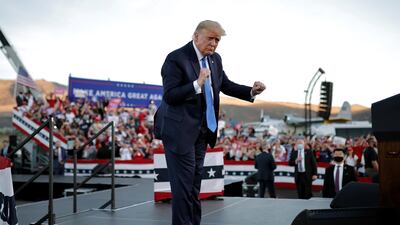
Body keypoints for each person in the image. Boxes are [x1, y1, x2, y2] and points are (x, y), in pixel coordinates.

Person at [154, 20, 266, 225]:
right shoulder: (176, 59)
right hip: (179, 132)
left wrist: (251, 91)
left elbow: (225, 84)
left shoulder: (215, 59)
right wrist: (196, 84)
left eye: (217, 40)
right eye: (210, 38)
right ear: (196, 36)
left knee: (194, 186)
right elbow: (170, 95)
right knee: (183, 188)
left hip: (202, 132)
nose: (214, 44)